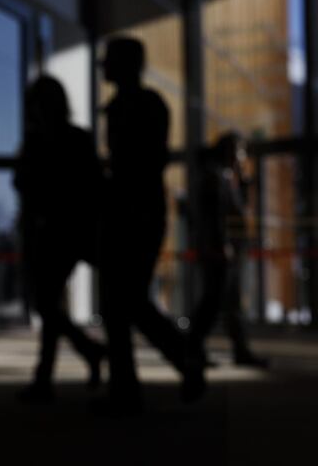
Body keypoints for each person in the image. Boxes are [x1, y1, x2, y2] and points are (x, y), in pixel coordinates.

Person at [98, 37, 204, 413]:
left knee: (123, 301)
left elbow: (138, 163)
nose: (102, 67)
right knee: (125, 300)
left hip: (133, 213)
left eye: (108, 61)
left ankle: (166, 368)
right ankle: (153, 374)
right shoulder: (143, 105)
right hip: (140, 211)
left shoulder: (134, 107)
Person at [15, 75, 106, 403]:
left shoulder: (41, 141)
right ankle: (77, 358)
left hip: (61, 232)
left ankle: (50, 375)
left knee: (46, 303)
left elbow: (27, 184)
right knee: (48, 304)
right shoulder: (72, 138)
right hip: (64, 231)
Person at [188, 132, 267, 367]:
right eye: (239, 151)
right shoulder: (214, 177)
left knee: (230, 303)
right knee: (213, 302)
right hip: (219, 250)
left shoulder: (227, 176)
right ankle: (192, 349)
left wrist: (242, 181)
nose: (242, 157)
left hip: (227, 249)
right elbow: (214, 217)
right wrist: (221, 244)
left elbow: (237, 210)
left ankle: (238, 350)